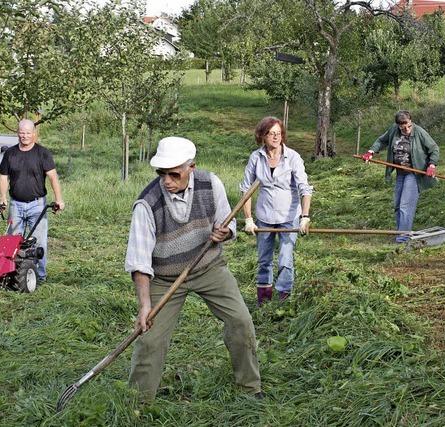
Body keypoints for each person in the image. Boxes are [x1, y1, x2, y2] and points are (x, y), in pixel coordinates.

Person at [125, 136, 262, 400]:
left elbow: (227, 222)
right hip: (164, 278)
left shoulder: (211, 184)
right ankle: (137, 404)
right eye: (161, 173)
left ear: (192, 167)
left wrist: (224, 232)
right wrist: (144, 305)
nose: (167, 180)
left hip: (208, 266)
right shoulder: (147, 204)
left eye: (174, 174)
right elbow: (139, 262)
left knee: (241, 322)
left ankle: (250, 389)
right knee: (150, 339)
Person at [240, 117, 313, 305]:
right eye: (271, 133)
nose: (275, 137)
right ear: (262, 136)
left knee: (285, 259)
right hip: (264, 216)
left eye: (278, 133)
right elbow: (246, 190)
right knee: (264, 260)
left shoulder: (293, 157)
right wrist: (248, 219)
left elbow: (304, 188)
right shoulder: (256, 158)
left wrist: (305, 217)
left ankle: (283, 300)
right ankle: (264, 301)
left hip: (289, 217)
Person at [0, 119, 65, 282]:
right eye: (22, 132)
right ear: (17, 133)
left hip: (38, 205)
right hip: (16, 204)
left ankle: (39, 276)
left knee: (39, 242)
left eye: (28, 133)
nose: (25, 136)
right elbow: (3, 176)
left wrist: (59, 199)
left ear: (34, 134)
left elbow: (53, 177)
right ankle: (12, 273)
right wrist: (3, 197)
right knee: (12, 241)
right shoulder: (10, 153)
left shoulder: (42, 153)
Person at [361, 110, 440, 242]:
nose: (407, 129)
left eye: (409, 126)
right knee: (398, 205)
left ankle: (403, 238)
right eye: (403, 127)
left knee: (405, 205)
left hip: (414, 173)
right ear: (398, 125)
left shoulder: (419, 132)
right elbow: (381, 141)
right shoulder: (393, 131)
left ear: (411, 122)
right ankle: (402, 233)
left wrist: (432, 165)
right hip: (400, 173)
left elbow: (434, 148)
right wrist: (371, 151)